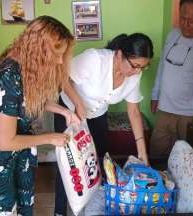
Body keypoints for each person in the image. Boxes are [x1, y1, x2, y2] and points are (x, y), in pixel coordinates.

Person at [0, 16, 80, 215]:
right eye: (56, 54)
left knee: (24, 208)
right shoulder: (7, 77)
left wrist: (63, 110)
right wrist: (50, 138)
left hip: (20, 153)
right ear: (39, 48)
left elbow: (28, 100)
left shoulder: (24, 68)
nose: (60, 60)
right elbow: (4, 142)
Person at [54, 33, 154, 215]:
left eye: (143, 67)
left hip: (98, 116)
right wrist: (77, 103)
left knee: (98, 162)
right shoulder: (95, 60)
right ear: (119, 54)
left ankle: (92, 208)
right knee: (71, 166)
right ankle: (59, 211)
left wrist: (142, 153)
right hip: (69, 113)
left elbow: (133, 112)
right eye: (135, 66)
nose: (137, 72)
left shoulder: (134, 75)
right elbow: (62, 76)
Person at [150, 0, 193, 158]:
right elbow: (162, 67)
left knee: (185, 159)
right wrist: (155, 95)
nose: (186, 24)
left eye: (192, 20)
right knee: (156, 154)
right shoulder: (173, 34)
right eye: (183, 18)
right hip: (165, 109)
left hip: (188, 114)